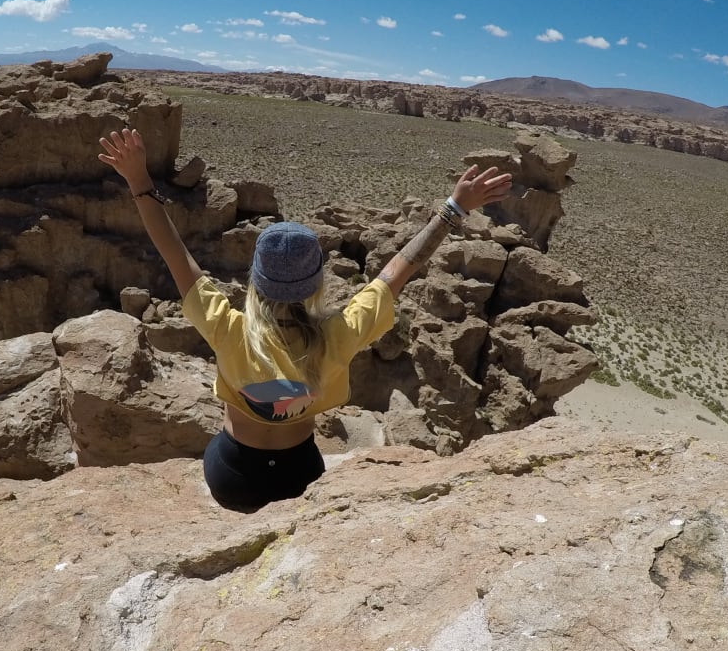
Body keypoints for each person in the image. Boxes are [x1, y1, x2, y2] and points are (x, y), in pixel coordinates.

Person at [98, 128, 511, 511]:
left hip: (233, 474)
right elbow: (399, 269)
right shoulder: (341, 333)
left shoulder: (228, 329)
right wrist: (452, 209)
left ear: (255, 281)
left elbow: (174, 252)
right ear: (316, 283)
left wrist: (138, 180)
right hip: (301, 475)